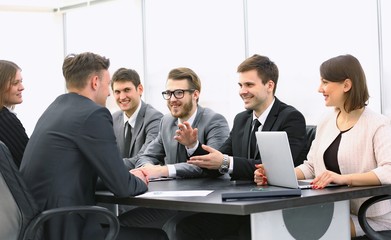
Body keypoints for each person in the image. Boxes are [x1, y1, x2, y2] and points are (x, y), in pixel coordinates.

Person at [20, 52, 168, 240]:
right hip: (67, 227)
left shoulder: (54, 109)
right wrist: (141, 178)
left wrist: (123, 175)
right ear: (95, 82)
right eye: (108, 85)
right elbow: (123, 188)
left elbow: (76, 172)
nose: (108, 93)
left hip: (41, 225)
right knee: (157, 237)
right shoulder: (93, 114)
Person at [254, 54, 391, 237]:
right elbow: (311, 166)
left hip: (372, 216)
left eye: (325, 82)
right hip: (337, 209)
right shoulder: (326, 121)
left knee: (310, 231)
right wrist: (277, 174)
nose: (320, 89)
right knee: (283, 225)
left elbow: (388, 171)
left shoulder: (379, 124)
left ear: (346, 85)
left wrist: (345, 178)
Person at [175, 54, 307, 240]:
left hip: (274, 208)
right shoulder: (241, 119)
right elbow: (218, 161)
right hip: (239, 206)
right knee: (185, 228)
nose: (242, 91)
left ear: (270, 85)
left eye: (249, 85)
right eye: (240, 85)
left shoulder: (291, 118)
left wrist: (226, 162)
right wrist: (193, 146)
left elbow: (277, 169)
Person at [118, 67, 230, 230]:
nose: (172, 99)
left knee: (173, 227)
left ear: (195, 94)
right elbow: (146, 155)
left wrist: (162, 170)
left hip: (206, 205)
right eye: (168, 93)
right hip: (172, 200)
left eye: (179, 93)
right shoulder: (167, 121)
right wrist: (146, 168)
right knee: (121, 224)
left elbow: (209, 164)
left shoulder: (215, 121)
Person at [111, 67, 163, 169]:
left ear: (140, 89)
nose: (122, 97)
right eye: (117, 92)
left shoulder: (155, 119)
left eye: (127, 90)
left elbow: (144, 158)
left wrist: (108, 166)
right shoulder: (113, 119)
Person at [0, 60, 29, 169]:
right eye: (15, 83)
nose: (22, 87)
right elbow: (28, 163)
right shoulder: (7, 121)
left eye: (21, 81)